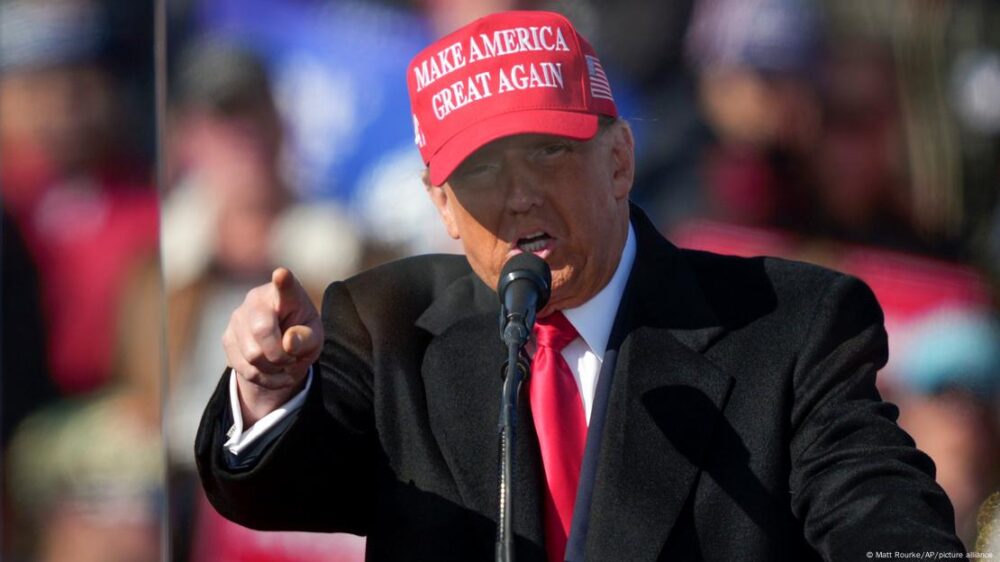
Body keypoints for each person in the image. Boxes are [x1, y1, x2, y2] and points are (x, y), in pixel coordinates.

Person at [196, 10, 966, 561]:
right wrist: (268, 391)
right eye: (482, 173)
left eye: (548, 155)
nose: (520, 196)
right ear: (443, 209)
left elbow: (872, 501)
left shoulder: (790, 321)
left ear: (620, 161)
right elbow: (278, 491)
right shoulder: (387, 320)